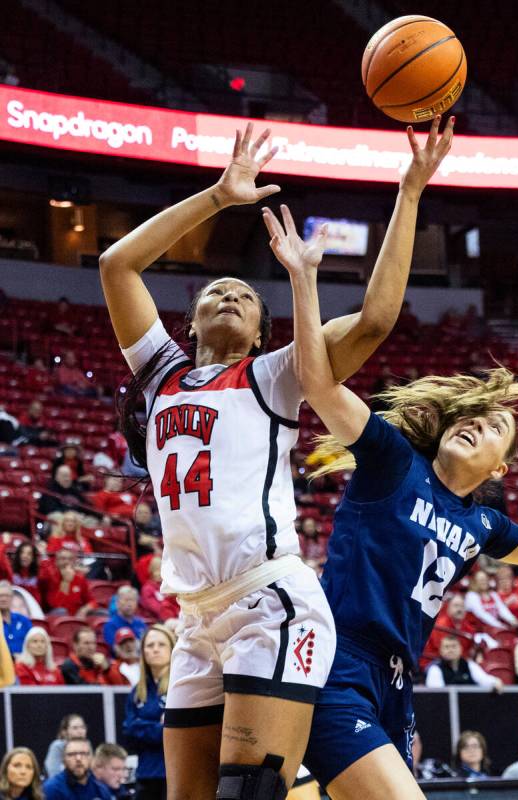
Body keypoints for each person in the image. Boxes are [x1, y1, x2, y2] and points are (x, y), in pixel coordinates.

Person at [101, 115, 454, 799]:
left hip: (270, 603)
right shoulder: (159, 373)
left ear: (262, 329)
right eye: (214, 291)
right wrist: (218, 197)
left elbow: (376, 320)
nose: (228, 294)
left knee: (250, 794)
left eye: (243, 294)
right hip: (195, 618)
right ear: (193, 318)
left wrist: (409, 193)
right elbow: (118, 263)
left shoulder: (274, 373)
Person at [279, 199, 518, 798]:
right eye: (474, 417)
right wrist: (306, 280)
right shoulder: (391, 461)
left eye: (494, 428)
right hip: (338, 660)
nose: (478, 425)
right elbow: (318, 382)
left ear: (500, 467)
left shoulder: (482, 522)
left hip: (394, 680)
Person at [122, 625, 177, 800]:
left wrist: (144, 725)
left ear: (172, 649)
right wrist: (160, 726)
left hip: (175, 773)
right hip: (146, 773)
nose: (155, 649)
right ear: (143, 651)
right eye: (150, 645)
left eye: (161, 644)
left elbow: (179, 732)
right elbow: (129, 730)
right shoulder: (137, 692)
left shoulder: (180, 687)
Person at [43, 738, 112, 800]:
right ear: (63, 760)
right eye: (72, 754)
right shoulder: (51, 789)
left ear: (91, 758)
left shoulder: (101, 790)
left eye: (83, 753)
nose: (78, 758)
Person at [424, 635, 502, 690]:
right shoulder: (435, 669)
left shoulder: (469, 665)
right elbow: (436, 694)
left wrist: (495, 682)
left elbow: (484, 680)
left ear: (460, 649)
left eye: (454, 646)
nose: (450, 650)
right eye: (447, 647)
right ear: (441, 651)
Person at [39, 548, 94, 616]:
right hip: (56, 616)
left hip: (77, 616)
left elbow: (92, 601)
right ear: (56, 562)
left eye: (70, 559)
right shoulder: (51, 578)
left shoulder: (80, 579)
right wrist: (66, 582)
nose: (66, 562)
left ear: (74, 562)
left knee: (100, 613)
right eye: (63, 559)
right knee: (61, 611)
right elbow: (57, 605)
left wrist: (85, 609)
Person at [0, 580, 32, 655]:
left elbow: (32, 642)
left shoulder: (23, 620)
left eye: (7, 596)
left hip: (23, 662)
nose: (3, 599)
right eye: (0, 596)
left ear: (12, 598)